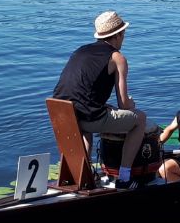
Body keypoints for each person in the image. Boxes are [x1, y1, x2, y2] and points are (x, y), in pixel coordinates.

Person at [52, 10, 147, 188]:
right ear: (117, 35)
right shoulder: (117, 58)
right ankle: (125, 177)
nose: (124, 38)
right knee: (140, 120)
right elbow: (124, 104)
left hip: (62, 112)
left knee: (86, 126)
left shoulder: (80, 51)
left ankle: (84, 176)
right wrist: (131, 104)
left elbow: (79, 91)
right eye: (123, 34)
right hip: (88, 117)